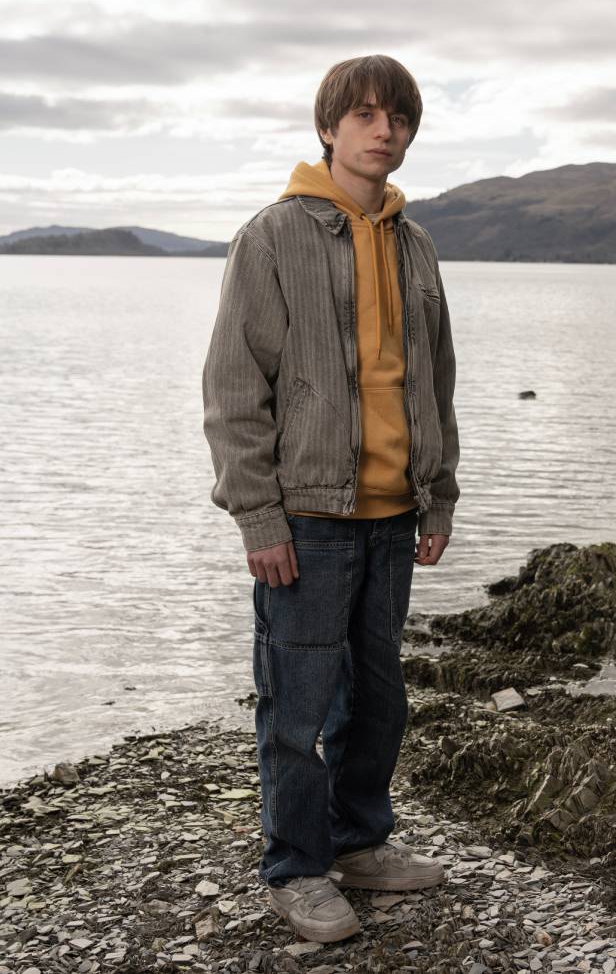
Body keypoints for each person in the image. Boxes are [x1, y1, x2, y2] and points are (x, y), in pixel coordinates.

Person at [200, 54, 461, 944]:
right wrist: (258, 518)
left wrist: (438, 499)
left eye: (399, 118)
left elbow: (434, 384)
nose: (384, 131)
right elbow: (234, 390)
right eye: (365, 115)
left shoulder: (415, 245)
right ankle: (296, 870)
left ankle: (358, 844)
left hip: (394, 517)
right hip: (308, 518)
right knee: (296, 708)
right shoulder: (272, 237)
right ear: (328, 128)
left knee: (378, 702)